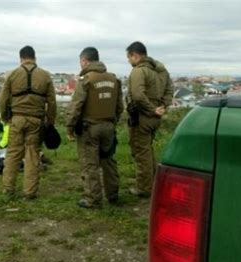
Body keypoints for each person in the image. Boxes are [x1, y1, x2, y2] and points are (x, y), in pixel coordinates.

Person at [66, 47, 123, 209]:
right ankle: (113, 194)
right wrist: (112, 122)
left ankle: (93, 199)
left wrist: (70, 127)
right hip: (109, 126)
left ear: (85, 61)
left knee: (90, 164)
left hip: (89, 128)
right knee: (109, 161)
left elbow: (75, 106)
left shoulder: (86, 80)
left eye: (80, 62)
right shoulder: (114, 79)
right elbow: (120, 106)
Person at [0, 46, 57, 200]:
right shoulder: (45, 75)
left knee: (13, 153)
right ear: (35, 57)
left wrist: (5, 117)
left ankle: (8, 189)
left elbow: (3, 99)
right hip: (36, 120)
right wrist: (50, 122)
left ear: (21, 58)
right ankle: (29, 192)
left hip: (17, 118)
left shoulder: (12, 74)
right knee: (32, 155)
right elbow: (51, 102)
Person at [125, 41, 173, 198]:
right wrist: (162, 107)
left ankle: (144, 188)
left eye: (129, 57)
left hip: (143, 117)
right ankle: (153, 182)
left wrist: (152, 109)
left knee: (141, 152)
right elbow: (169, 90)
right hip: (155, 117)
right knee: (148, 150)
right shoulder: (161, 71)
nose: (128, 61)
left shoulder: (139, 71)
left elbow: (138, 96)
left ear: (135, 55)